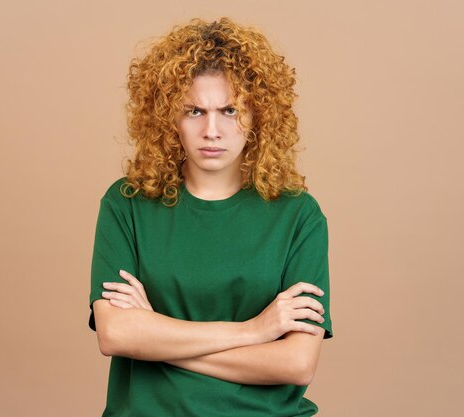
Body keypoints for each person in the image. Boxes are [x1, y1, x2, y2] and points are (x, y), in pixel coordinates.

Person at [88, 16, 333, 417]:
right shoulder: (126, 203)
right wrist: (254, 331)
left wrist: (156, 336)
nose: (213, 130)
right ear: (169, 117)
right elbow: (116, 334)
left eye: (231, 110)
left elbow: (296, 363)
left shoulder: (298, 215)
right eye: (195, 111)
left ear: (258, 116)